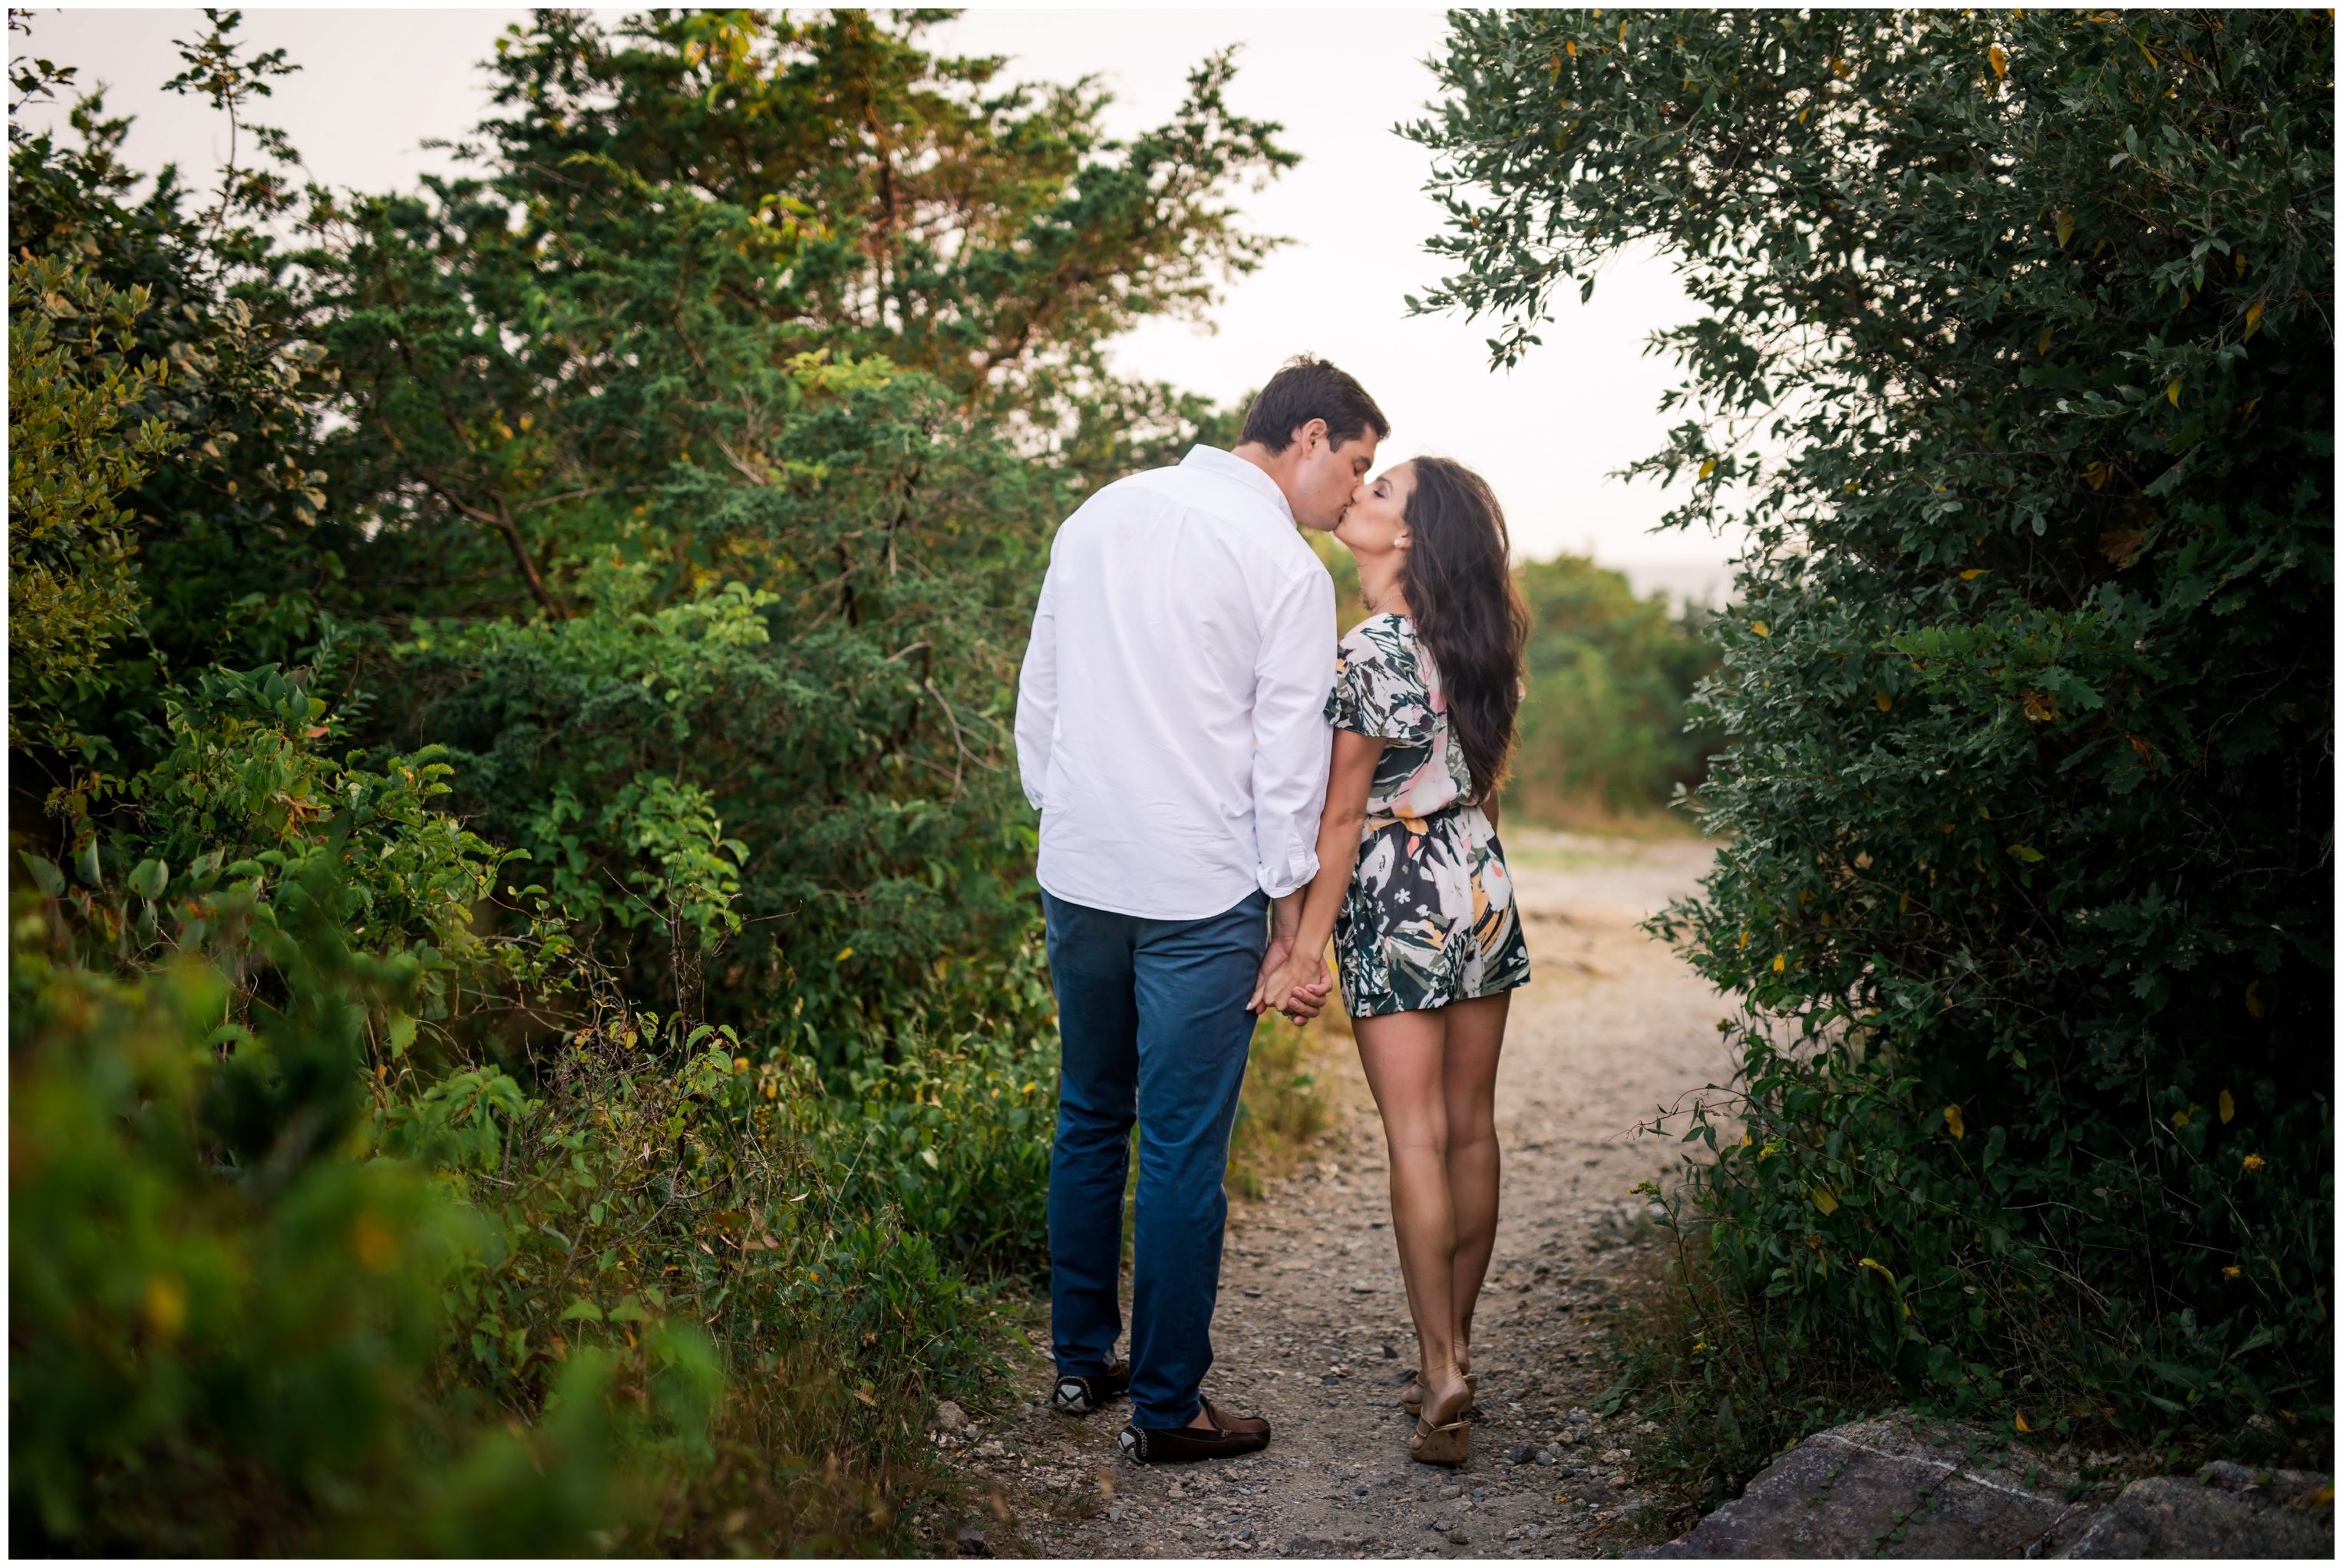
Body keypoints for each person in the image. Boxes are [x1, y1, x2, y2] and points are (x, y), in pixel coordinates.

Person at [1014, 356, 1388, 1463]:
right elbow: (1285, 767)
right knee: (1179, 1149)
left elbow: (1040, 693)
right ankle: (1167, 1409)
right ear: (1309, 437)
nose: (1351, 495)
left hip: (1080, 870)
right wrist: (1289, 921)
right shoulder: (1279, 562)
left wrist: (1066, 811)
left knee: (1090, 1112)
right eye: (1356, 466)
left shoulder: (1100, 511)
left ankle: (1081, 1364)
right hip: (1197, 894)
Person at [1254, 456, 1532, 1467]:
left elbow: (1338, 816)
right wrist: (1478, 881)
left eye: (1379, 494)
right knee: (1469, 1130)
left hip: (1396, 888)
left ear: (1406, 538)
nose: (1356, 498)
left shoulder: (1368, 649)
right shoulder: (1480, 640)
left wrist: (1303, 949)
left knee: (1414, 1135)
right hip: (1478, 878)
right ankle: (1452, 1361)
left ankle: (1442, 1365)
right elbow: (1481, 784)